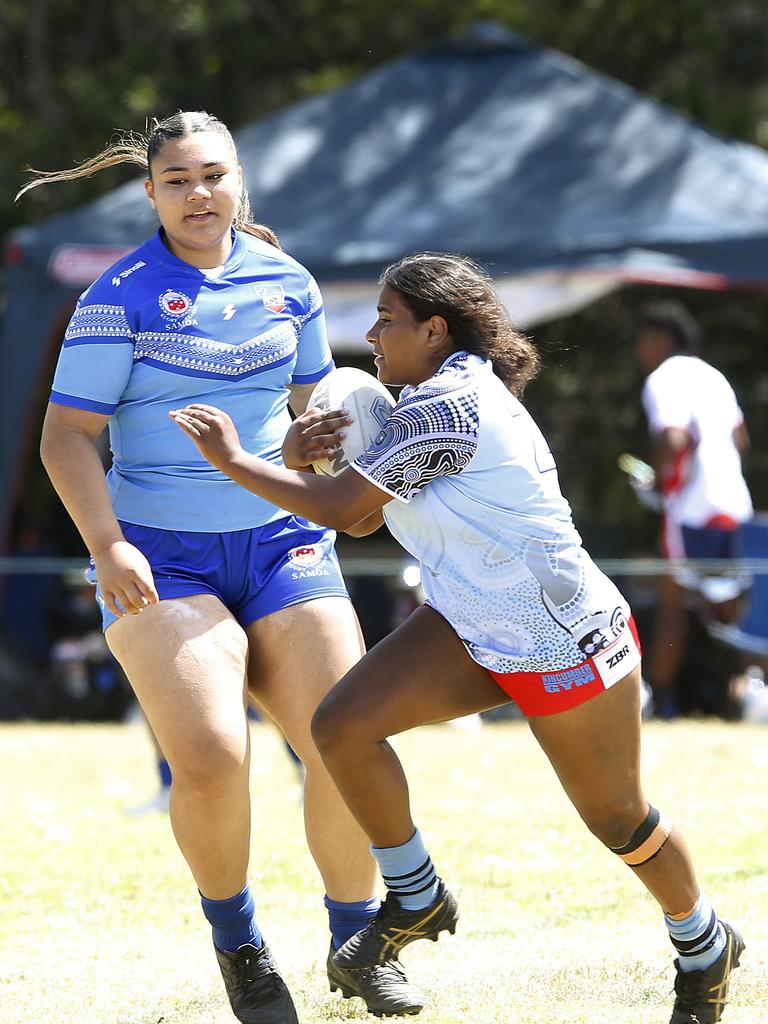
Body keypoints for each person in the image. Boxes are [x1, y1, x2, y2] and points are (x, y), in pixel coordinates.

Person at [171, 253, 744, 1024]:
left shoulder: (448, 406)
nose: (371, 333)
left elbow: (344, 508)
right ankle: (415, 894)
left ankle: (703, 943)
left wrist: (236, 460)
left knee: (619, 819)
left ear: (434, 329)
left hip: (561, 635)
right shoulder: (426, 399)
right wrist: (294, 454)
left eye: (386, 319)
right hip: (472, 621)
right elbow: (364, 511)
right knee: (340, 727)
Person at [23, 111, 425, 1022]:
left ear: (240, 180)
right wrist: (107, 544)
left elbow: (313, 417)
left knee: (343, 737)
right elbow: (65, 438)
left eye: (213, 176)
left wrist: (323, 454)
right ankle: (239, 943)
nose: (198, 195)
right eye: (177, 181)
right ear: (153, 194)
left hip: (283, 543)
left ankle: (358, 939)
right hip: (158, 553)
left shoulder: (290, 283)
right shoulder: (118, 295)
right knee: (210, 756)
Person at [632, 302, 753, 717]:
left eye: (643, 339)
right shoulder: (713, 376)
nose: (638, 350)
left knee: (673, 601)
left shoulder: (664, 378)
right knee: (735, 607)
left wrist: (660, 482)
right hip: (734, 503)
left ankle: (657, 700)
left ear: (664, 338)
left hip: (692, 509)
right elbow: (740, 440)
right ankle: (751, 690)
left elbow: (674, 437)